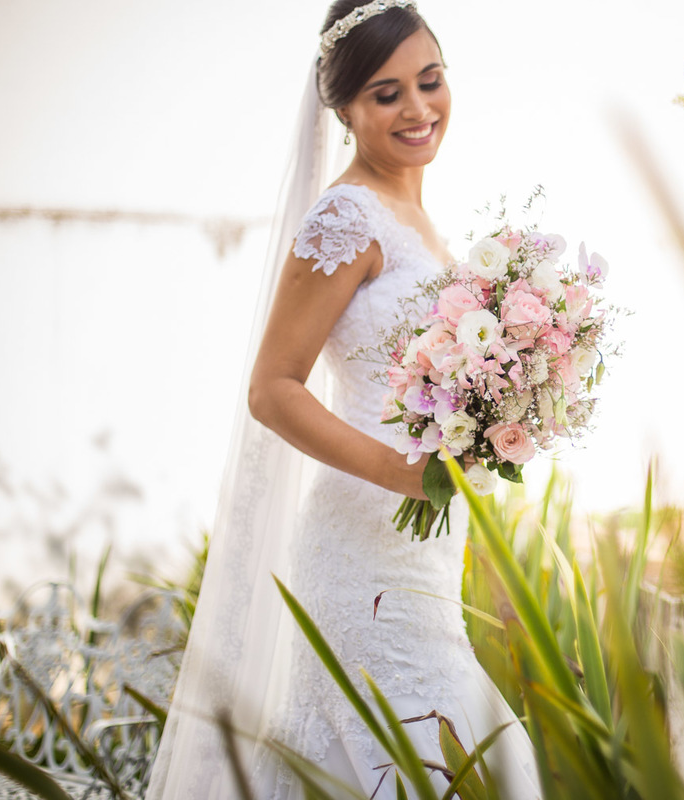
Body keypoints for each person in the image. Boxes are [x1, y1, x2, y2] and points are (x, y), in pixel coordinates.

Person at [144, 2, 541, 798]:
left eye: (430, 82)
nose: (419, 109)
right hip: (358, 555)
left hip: (424, 559)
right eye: (387, 94)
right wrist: (402, 471)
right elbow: (272, 388)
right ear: (345, 108)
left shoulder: (422, 223)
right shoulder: (346, 215)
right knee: (453, 766)